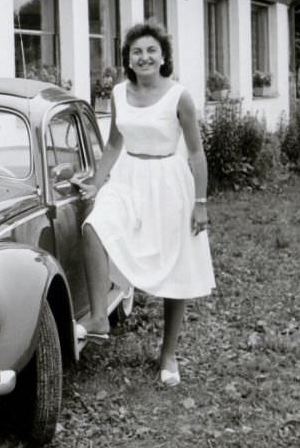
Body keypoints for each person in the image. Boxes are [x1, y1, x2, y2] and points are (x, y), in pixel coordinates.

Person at [76, 21, 215, 387]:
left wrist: (200, 203)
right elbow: (112, 146)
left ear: (163, 56)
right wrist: (96, 183)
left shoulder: (179, 96)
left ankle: (167, 354)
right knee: (93, 227)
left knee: (175, 267)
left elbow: (197, 154)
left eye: (152, 50)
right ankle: (98, 318)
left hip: (169, 182)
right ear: (129, 59)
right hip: (127, 178)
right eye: (137, 51)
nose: (145, 56)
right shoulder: (119, 94)